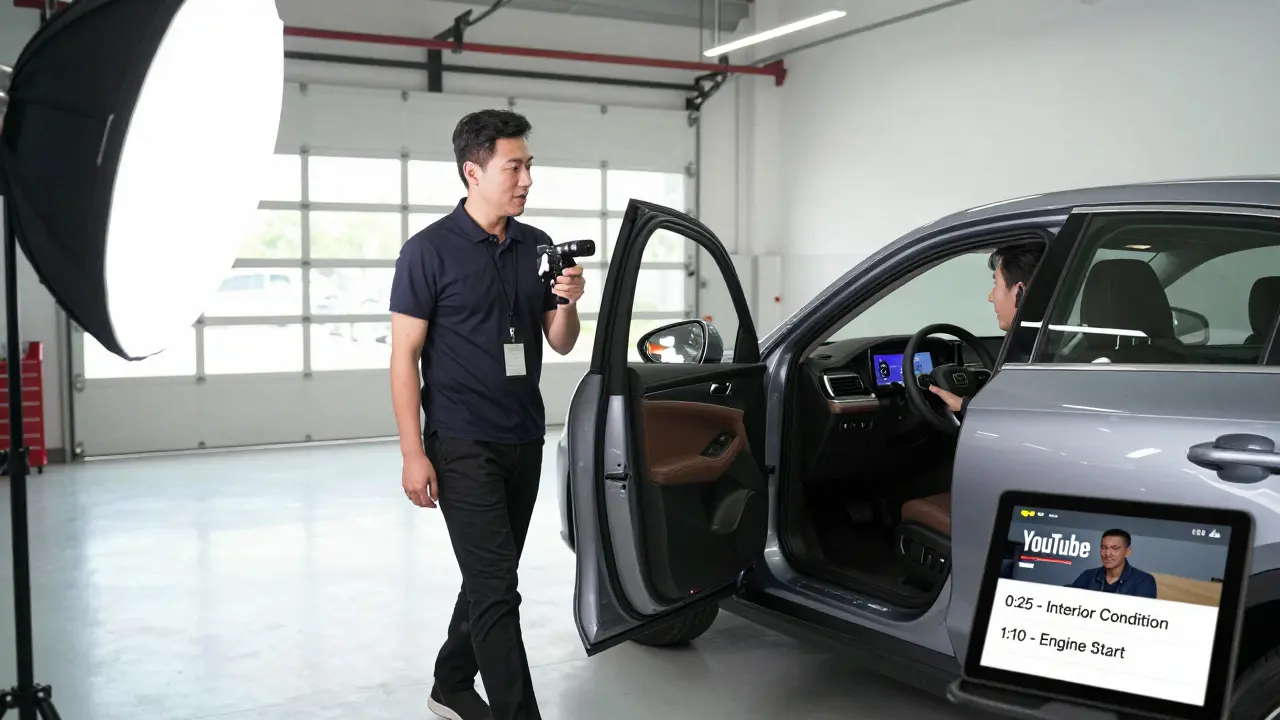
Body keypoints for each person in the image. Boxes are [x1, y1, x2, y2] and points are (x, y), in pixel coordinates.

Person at [388, 108, 586, 720]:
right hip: (460, 440)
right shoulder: (427, 253)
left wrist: (569, 302)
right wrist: (413, 452)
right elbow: (404, 358)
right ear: (473, 171)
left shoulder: (536, 246)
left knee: (489, 576)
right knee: (499, 588)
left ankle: (450, 684)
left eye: (529, 166)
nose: (528, 179)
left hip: (523, 436)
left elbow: (560, 341)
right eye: (515, 167)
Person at [928, 242, 1044, 414]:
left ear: (1020, 292)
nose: (990, 297)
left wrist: (965, 407)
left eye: (996, 284)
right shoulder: (1054, 348)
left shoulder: (1036, 359)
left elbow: (1018, 418)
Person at [1066, 529, 1159, 598]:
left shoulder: (1143, 581)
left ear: (1127, 552)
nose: (1107, 554)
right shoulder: (1088, 576)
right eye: (1104, 547)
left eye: (1114, 548)